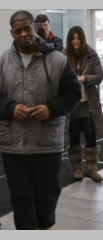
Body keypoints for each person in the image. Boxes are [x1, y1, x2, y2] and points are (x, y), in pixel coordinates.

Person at [0, 10, 81, 230]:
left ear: (35, 27)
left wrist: (50, 108)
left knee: (46, 196)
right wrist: (9, 108)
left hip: (47, 142)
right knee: (21, 198)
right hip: (14, 146)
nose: (24, 33)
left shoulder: (57, 60)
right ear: (12, 33)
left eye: (27, 28)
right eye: (19, 30)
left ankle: (46, 228)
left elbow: (74, 94)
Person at [62, 26, 103, 182]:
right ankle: (77, 168)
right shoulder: (63, 55)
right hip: (72, 104)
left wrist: (86, 79)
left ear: (83, 39)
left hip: (88, 103)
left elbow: (99, 76)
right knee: (73, 136)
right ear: (70, 40)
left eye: (78, 38)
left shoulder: (91, 54)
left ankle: (92, 169)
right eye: (73, 38)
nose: (76, 41)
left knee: (90, 134)